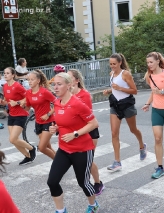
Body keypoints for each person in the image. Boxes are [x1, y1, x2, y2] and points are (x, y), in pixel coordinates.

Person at [47, 72, 100, 213]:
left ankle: (93, 204)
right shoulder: (56, 103)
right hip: (64, 149)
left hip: (82, 149)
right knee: (52, 181)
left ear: (69, 85)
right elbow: (64, 123)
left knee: (83, 183)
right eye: (54, 84)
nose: (55, 87)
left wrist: (75, 134)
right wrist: (56, 128)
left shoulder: (77, 103)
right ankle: (61, 210)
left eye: (59, 84)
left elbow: (94, 123)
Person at [103, 53, 146, 171]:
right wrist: (109, 90)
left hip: (127, 105)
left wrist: (119, 88)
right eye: (110, 64)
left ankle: (142, 146)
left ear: (120, 63)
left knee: (133, 129)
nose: (112, 66)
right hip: (115, 106)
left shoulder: (125, 74)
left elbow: (134, 90)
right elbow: (115, 88)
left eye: (114, 64)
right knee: (114, 133)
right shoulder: (111, 74)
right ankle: (117, 162)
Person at [67, 69, 105, 195]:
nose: (67, 79)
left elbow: (86, 117)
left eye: (69, 77)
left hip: (89, 130)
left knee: (88, 159)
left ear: (77, 80)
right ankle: (87, 182)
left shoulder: (85, 95)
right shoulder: (67, 95)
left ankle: (98, 183)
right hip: (76, 132)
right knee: (82, 160)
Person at [0, 67, 37, 165]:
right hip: (11, 114)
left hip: (21, 114)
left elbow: (28, 96)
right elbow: (6, 101)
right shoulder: (5, 86)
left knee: (12, 138)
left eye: (8, 73)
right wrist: (2, 102)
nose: (5, 75)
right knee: (13, 140)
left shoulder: (17, 86)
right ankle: (28, 156)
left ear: (13, 75)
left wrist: (17, 102)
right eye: (4, 73)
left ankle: (32, 148)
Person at [23, 70, 56, 159]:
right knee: (48, 147)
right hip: (38, 122)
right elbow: (27, 108)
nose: (29, 81)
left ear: (38, 81)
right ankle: (61, 162)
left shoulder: (44, 92)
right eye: (28, 80)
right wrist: (22, 105)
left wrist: (48, 114)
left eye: (32, 79)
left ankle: (59, 164)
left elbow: (58, 104)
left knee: (42, 148)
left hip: (48, 121)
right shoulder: (28, 93)